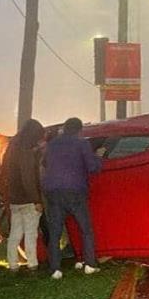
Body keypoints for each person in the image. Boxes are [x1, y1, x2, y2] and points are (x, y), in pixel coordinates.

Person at [43, 117, 102, 279]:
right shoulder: (82, 144)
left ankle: (55, 269)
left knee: (55, 232)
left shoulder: (52, 144)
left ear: (64, 128)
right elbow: (92, 167)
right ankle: (89, 264)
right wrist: (99, 157)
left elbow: (45, 163)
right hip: (75, 191)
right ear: (79, 130)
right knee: (86, 229)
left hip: (53, 192)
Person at [4, 119, 45, 272]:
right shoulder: (26, 152)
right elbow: (28, 177)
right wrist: (37, 200)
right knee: (30, 233)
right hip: (28, 200)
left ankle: (13, 264)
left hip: (15, 199)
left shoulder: (12, 149)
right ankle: (32, 264)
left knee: (15, 234)